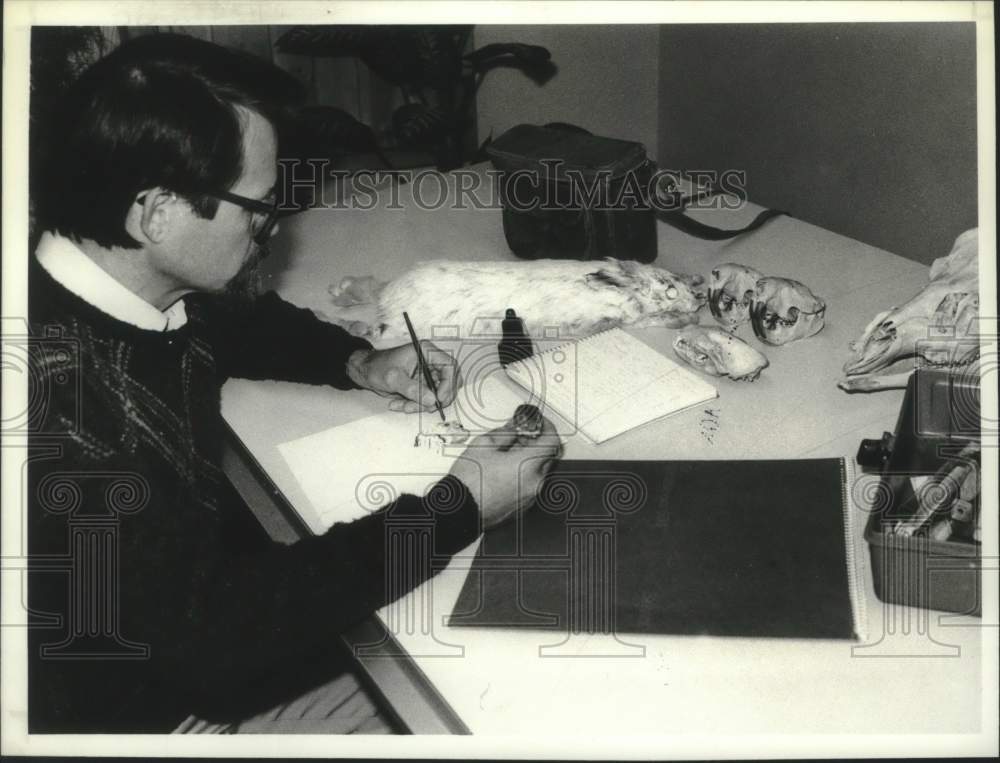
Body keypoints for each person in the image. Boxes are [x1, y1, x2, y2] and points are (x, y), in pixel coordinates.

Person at [27, 32, 561, 733]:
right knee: (510, 706)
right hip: (149, 718)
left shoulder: (112, 273)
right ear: (156, 212)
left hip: (184, 635)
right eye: (257, 209)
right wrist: (457, 508)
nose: (271, 232)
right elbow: (217, 636)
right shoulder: (65, 421)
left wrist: (355, 360)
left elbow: (224, 318)